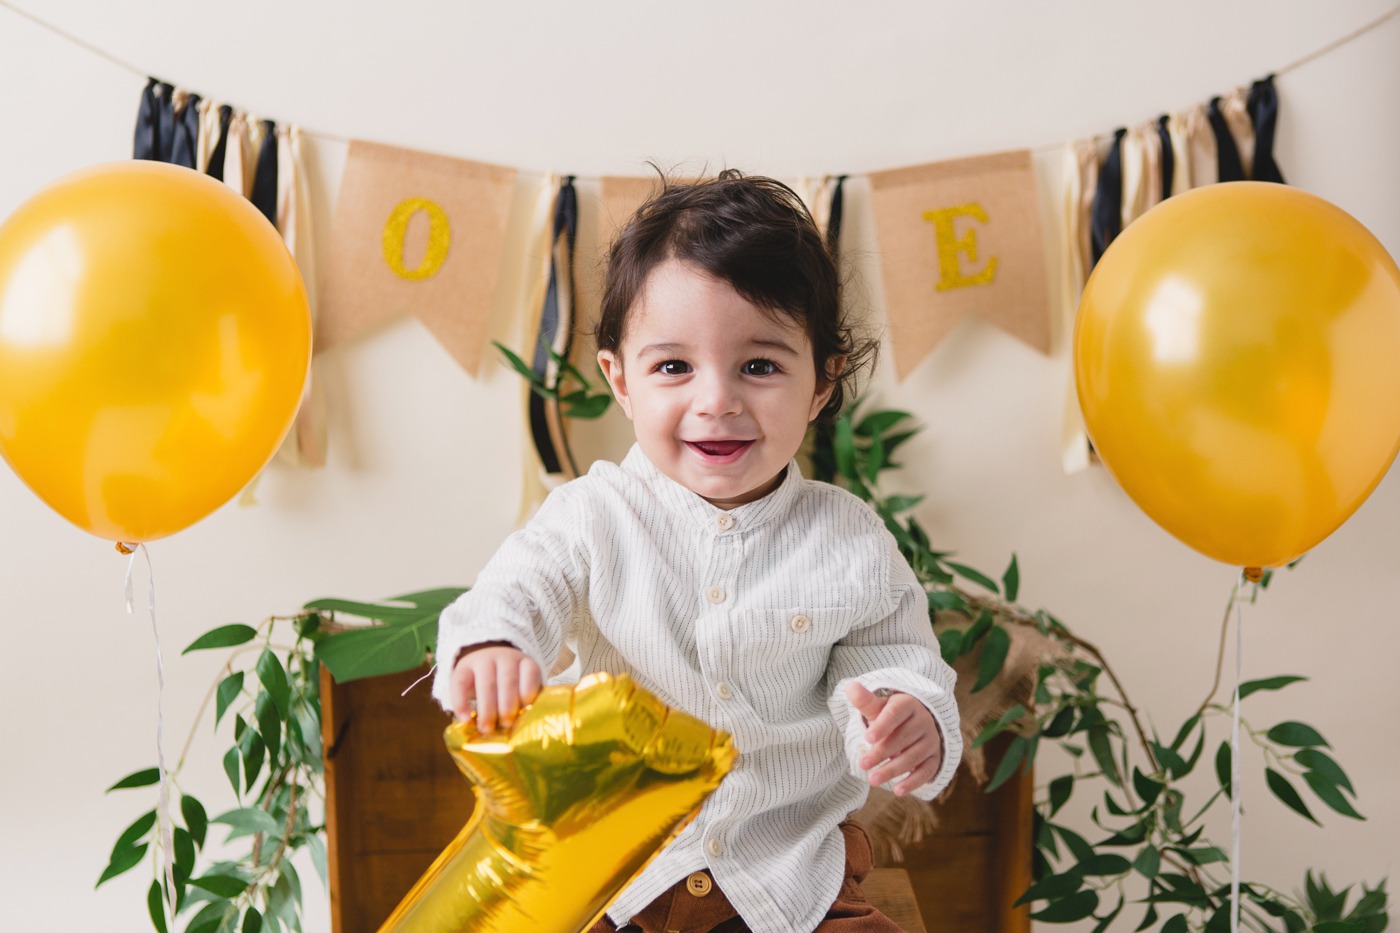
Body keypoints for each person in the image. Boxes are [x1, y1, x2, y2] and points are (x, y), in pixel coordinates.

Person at [432, 170, 962, 933]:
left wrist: (912, 716)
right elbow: (520, 587)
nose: (717, 399)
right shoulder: (593, 517)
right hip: (623, 879)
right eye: (674, 366)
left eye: (761, 365)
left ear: (822, 384)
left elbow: (893, 662)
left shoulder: (848, 540)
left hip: (793, 879)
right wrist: (494, 642)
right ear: (621, 380)